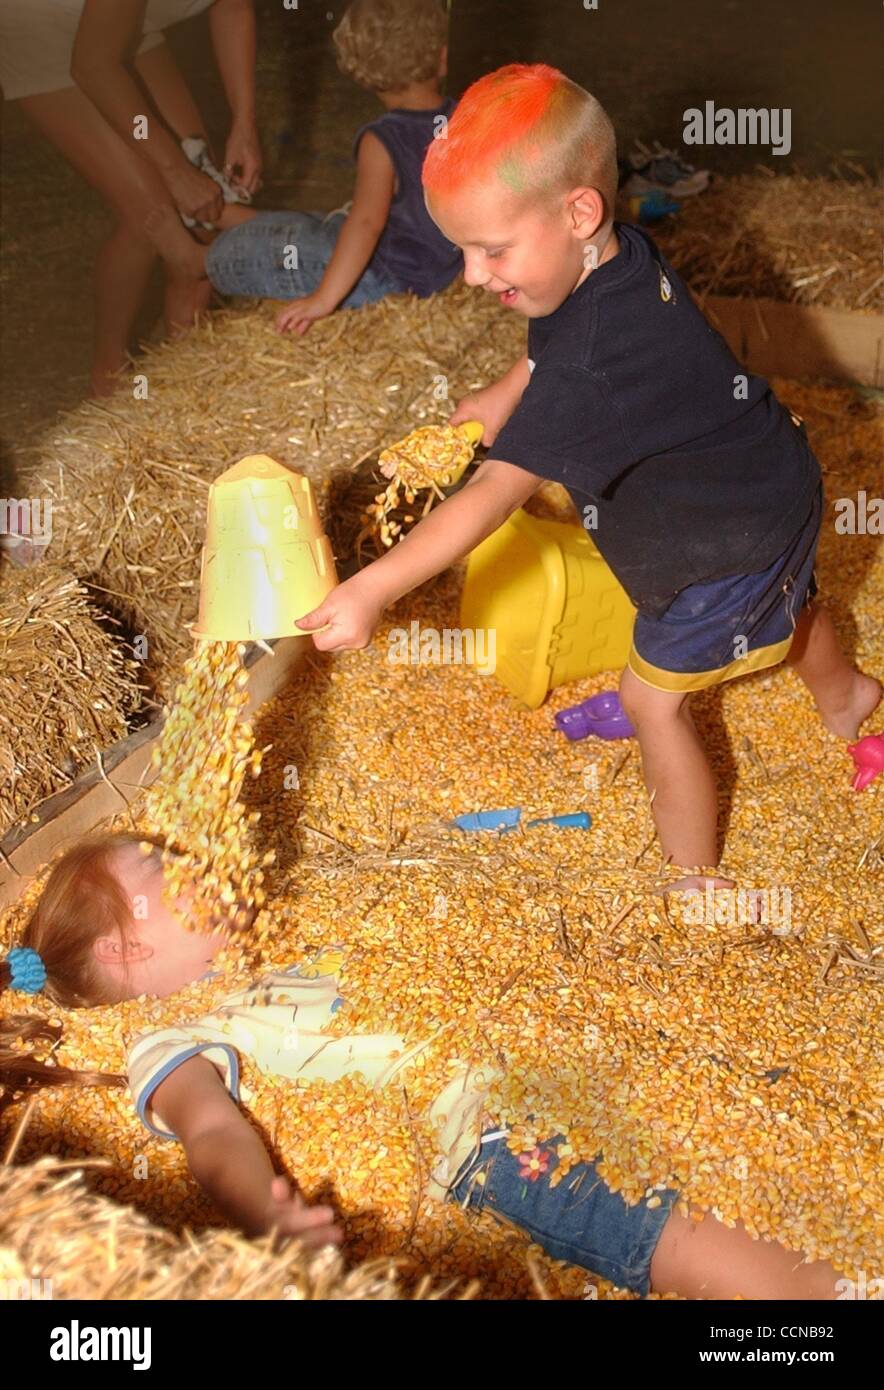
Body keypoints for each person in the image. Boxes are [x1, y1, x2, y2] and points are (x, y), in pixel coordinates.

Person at [293, 63, 882, 898]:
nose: (471, 274)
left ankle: (697, 879)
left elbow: (490, 497)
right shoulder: (614, 256)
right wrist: (500, 394)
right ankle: (848, 693)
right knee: (791, 595)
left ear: (579, 213)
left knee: (653, 704)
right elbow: (557, 340)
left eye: (491, 249)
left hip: (724, 547)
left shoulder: (591, 368)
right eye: (463, 249)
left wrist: (374, 589)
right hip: (771, 484)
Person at [0, 833, 842, 1298]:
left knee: (732, 1119)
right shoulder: (171, 1035)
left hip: (547, 1047)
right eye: (163, 867)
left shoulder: (281, 935)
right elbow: (211, 1128)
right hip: (483, 1135)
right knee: (660, 1226)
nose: (193, 860)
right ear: (128, 944)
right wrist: (263, 1211)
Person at [0, 0, 261, 395]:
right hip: (43, 29)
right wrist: (173, 171)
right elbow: (92, 66)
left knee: (204, 206)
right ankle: (109, 376)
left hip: (122, 22)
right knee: (153, 216)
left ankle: (187, 374)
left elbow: (232, 8)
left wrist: (245, 122)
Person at [163, 0, 463, 334]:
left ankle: (199, 261)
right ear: (442, 57)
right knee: (309, 224)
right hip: (429, 268)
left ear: (360, 70)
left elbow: (366, 223)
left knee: (294, 244)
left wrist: (322, 299)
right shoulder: (465, 119)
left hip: (382, 280)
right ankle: (221, 214)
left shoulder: (382, 141)